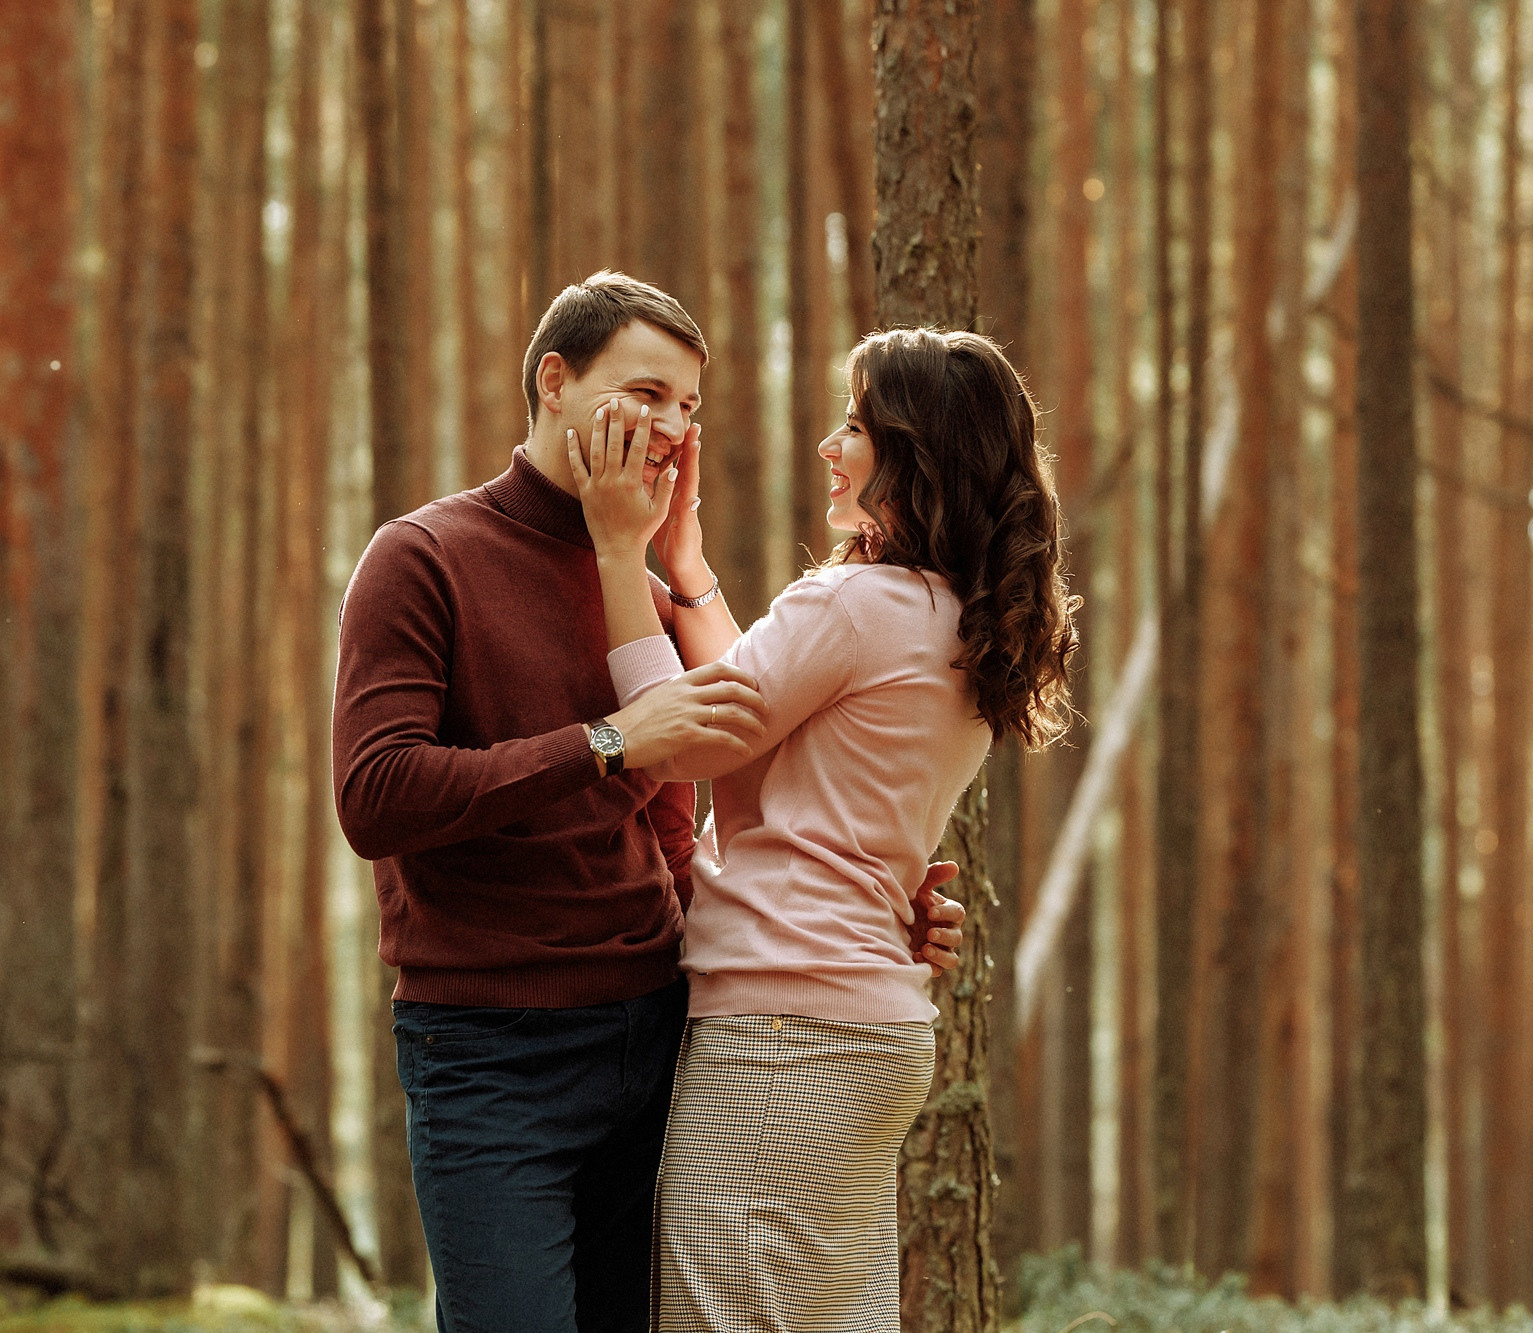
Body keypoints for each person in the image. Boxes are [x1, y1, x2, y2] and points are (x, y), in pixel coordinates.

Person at [330, 272, 966, 1333]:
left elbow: (683, 830)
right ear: (554, 382)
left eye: (687, 405)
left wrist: (859, 903)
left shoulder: (653, 596)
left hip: (660, 1037)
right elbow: (375, 794)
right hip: (488, 1054)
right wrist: (606, 742)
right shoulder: (422, 557)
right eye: (645, 393)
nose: (670, 426)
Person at [567, 324, 1079, 1332]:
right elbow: (754, 700)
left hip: (780, 1032)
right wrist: (688, 567)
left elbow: (682, 740)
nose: (828, 445)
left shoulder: (854, 602)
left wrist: (619, 551)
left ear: (914, 454)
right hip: (868, 1032)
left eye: (854, 425)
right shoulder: (954, 619)